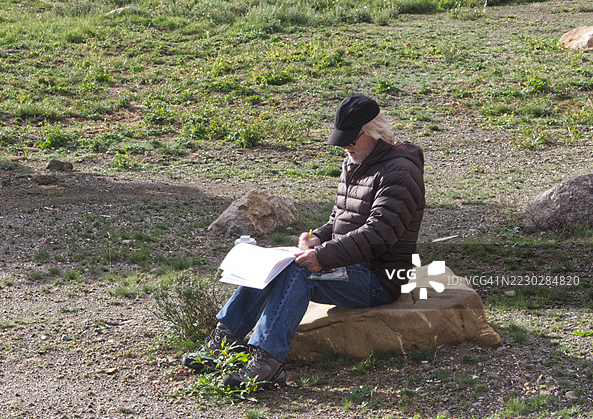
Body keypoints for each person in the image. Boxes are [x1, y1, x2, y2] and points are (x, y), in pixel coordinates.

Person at [182, 94, 425, 389]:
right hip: (348, 264)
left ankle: (267, 364)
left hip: (378, 279)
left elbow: (380, 233)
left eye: (350, 139)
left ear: (373, 131)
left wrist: (323, 256)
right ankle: (223, 342)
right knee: (273, 265)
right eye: (342, 139)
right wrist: (318, 236)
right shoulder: (356, 161)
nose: (345, 147)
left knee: (298, 271)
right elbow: (339, 218)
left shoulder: (400, 172)